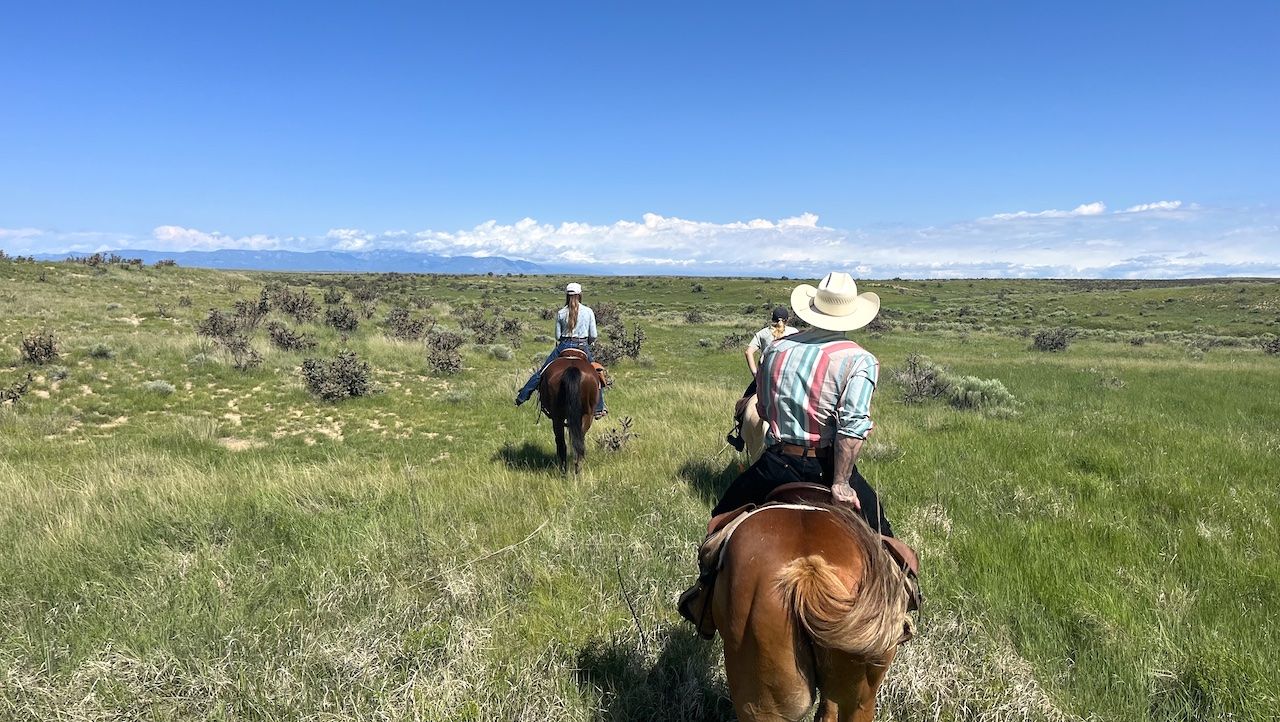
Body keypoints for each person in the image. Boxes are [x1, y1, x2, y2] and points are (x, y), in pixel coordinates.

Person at [679, 271, 917, 635]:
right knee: (890, 546)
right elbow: (852, 428)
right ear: (852, 315)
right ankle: (899, 613)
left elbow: (766, 409)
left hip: (776, 464)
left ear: (811, 309)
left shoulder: (777, 349)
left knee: (720, 521)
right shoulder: (859, 360)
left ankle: (704, 600)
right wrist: (840, 482)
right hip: (826, 468)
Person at [515, 282, 607, 418]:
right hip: (582, 346)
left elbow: (558, 336)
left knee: (542, 372)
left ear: (567, 295)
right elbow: (593, 335)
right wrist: (588, 343)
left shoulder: (561, 313)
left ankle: (522, 396)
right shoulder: (588, 311)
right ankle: (599, 408)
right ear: (580, 295)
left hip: (564, 345)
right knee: (597, 374)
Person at [726, 306, 798, 450]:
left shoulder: (763, 333)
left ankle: (740, 439)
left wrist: (755, 374)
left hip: (765, 379)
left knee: (744, 402)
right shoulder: (795, 333)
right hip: (790, 378)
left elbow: (748, 352)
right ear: (787, 320)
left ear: (772, 319)